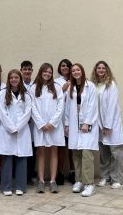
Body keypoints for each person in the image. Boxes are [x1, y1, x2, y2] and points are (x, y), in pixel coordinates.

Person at [0, 69, 32, 196]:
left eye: (16, 77)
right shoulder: (2, 94)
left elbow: (28, 113)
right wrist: (12, 127)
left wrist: (18, 127)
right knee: (7, 159)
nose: (14, 80)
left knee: (21, 159)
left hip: (22, 131)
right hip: (7, 131)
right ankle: (6, 187)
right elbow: (2, 112)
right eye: (11, 78)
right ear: (8, 79)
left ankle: (20, 186)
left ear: (20, 79)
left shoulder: (26, 95)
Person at [65, 63, 98, 197]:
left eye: (78, 70)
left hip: (86, 125)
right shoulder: (70, 88)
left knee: (86, 154)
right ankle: (78, 181)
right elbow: (67, 107)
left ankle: (89, 184)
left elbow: (93, 106)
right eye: (73, 70)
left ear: (82, 71)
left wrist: (87, 122)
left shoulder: (90, 86)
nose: (75, 72)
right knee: (76, 155)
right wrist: (67, 124)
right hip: (74, 124)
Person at [31, 63, 65, 194]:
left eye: (49, 72)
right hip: (40, 126)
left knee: (54, 152)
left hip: (54, 126)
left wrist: (52, 123)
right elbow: (32, 107)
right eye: (45, 71)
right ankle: (40, 181)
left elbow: (60, 106)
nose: (47, 74)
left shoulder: (57, 87)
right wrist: (41, 123)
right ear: (40, 72)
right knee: (40, 152)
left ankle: (52, 181)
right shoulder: (34, 88)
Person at [91, 61, 123, 188]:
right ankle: (105, 177)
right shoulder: (94, 85)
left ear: (107, 70)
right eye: (98, 68)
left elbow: (112, 106)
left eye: (103, 68)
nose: (101, 70)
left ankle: (118, 179)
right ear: (95, 70)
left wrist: (108, 125)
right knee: (104, 154)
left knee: (116, 154)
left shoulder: (111, 85)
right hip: (99, 125)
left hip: (111, 125)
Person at [55, 58, 75, 185]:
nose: (65, 68)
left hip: (72, 119)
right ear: (60, 68)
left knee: (72, 147)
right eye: (63, 66)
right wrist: (62, 89)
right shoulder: (56, 82)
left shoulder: (75, 80)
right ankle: (60, 172)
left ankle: (73, 172)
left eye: (67, 66)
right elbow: (52, 98)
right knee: (61, 148)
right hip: (60, 120)